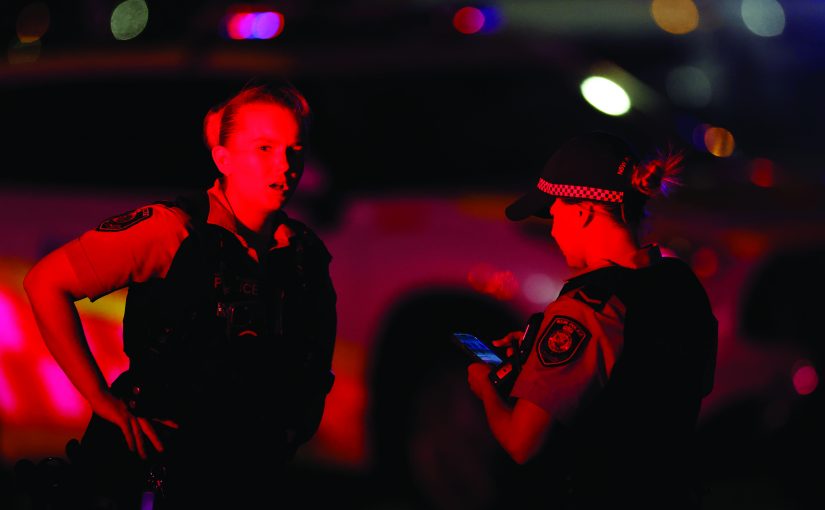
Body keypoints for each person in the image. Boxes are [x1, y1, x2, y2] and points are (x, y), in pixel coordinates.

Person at [23, 80, 337, 508]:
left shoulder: (302, 253)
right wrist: (100, 398)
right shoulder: (173, 230)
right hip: (153, 466)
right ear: (222, 158)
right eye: (263, 148)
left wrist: (298, 422)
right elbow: (45, 281)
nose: (284, 165)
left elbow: (313, 356)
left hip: (247, 470)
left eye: (294, 149)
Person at [466, 132, 717, 509]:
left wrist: (486, 388)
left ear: (583, 210)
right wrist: (543, 359)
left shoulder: (586, 308)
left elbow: (523, 444)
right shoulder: (683, 283)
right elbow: (692, 381)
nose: (551, 229)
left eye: (553, 212)